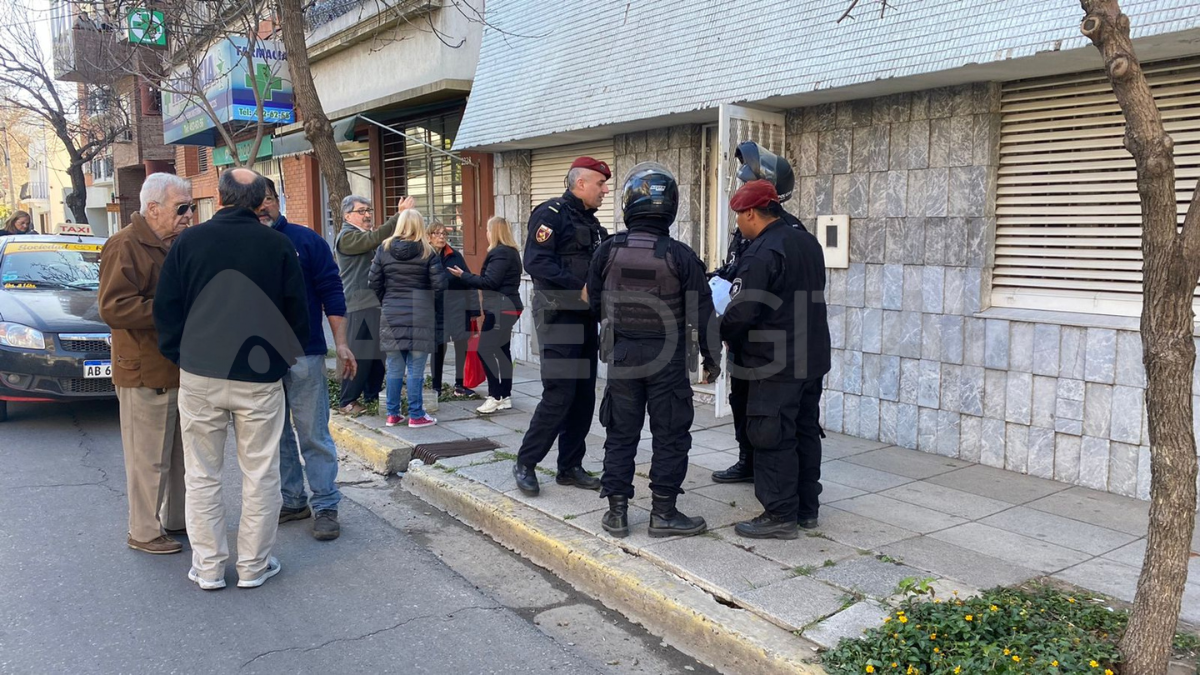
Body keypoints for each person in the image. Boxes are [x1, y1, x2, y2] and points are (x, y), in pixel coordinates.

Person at [154, 168, 308, 590]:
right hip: (259, 377)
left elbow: (166, 309)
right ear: (261, 203)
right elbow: (298, 314)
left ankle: (207, 568)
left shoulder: (187, 242)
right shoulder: (277, 244)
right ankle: (253, 567)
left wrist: (181, 355)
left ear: (218, 199)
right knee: (260, 472)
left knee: (202, 473)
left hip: (201, 371)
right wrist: (280, 361)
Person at [586, 163, 722, 538]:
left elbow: (595, 303)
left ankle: (616, 512)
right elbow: (704, 314)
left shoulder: (607, 251)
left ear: (630, 203)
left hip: (623, 357)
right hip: (668, 359)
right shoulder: (681, 256)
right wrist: (713, 360)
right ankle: (663, 513)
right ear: (670, 206)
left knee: (620, 433)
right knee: (671, 434)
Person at [719, 180, 830, 540]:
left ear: (751, 213)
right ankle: (806, 508)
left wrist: (714, 330)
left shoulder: (761, 252)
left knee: (771, 435)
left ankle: (780, 514)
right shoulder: (806, 241)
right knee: (804, 430)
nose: (738, 223)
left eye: (739, 216)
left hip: (774, 360)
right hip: (810, 357)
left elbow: (742, 312)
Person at [97, 173, 193, 555]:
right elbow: (113, 307)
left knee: (179, 457)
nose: (188, 214)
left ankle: (175, 520)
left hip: (174, 369)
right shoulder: (124, 245)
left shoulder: (173, 242)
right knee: (147, 459)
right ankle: (143, 531)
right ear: (153, 208)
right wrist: (173, 311)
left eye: (190, 207)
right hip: (143, 372)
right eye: (181, 208)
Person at [258, 178, 356, 541]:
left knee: (313, 432)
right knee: (277, 435)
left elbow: (332, 291)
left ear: (278, 200)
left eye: (269, 199)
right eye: (258, 201)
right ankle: (293, 499)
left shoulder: (306, 240)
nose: (264, 207)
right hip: (260, 358)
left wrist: (342, 344)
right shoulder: (245, 244)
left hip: (305, 352)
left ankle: (326, 505)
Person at [512, 157, 611, 496]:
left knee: (583, 396)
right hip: (559, 316)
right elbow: (536, 261)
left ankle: (569, 466)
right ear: (580, 183)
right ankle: (526, 462)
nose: (605, 190)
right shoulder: (551, 214)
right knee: (560, 393)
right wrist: (578, 287)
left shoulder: (595, 226)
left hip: (585, 319)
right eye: (600, 184)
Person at [711, 141, 804, 486]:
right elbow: (736, 268)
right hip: (744, 336)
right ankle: (747, 460)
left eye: (748, 184)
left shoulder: (788, 232)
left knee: (770, 415)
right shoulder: (748, 230)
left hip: (769, 340)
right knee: (741, 400)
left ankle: (773, 481)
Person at [335, 194, 414, 415]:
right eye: (362, 211)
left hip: (374, 303)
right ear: (347, 215)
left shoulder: (362, 235)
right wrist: (398, 215)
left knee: (377, 353)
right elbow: (374, 239)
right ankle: (347, 401)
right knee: (360, 353)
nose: (368, 215)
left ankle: (371, 394)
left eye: (369, 210)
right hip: (359, 305)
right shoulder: (347, 237)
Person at [368, 208, 446, 428]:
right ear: (420, 226)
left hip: (392, 313)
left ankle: (392, 414)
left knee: (394, 366)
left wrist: (387, 300)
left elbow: (373, 282)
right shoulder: (427, 251)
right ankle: (416, 414)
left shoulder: (383, 249)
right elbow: (440, 286)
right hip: (421, 314)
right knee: (416, 368)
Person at [448, 216, 523, 414]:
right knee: (502, 350)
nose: (486, 234)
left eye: (488, 230)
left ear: (495, 232)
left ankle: (495, 395)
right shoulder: (511, 252)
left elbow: (490, 282)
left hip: (500, 309)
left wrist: (463, 276)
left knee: (484, 349)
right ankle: (505, 396)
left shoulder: (500, 253)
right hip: (508, 307)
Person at [429, 219, 478, 402]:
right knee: (437, 348)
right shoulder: (424, 256)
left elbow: (469, 281)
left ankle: (460, 384)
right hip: (436, 311)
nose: (441, 237)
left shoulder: (455, 256)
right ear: (429, 237)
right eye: (437, 233)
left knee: (461, 347)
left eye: (444, 234)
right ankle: (436, 386)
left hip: (458, 309)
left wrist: (473, 310)